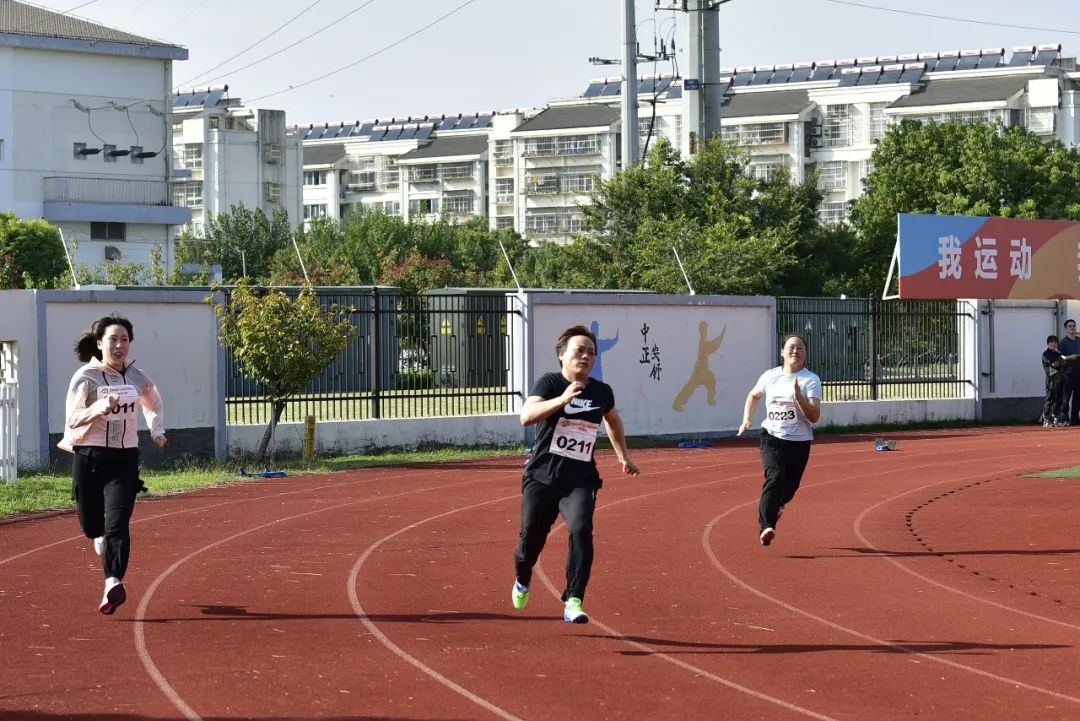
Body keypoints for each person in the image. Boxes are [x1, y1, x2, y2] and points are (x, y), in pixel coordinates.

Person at [511, 325, 639, 624]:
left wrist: (623, 455)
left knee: (581, 528)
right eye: (579, 351)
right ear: (562, 355)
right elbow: (526, 417)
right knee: (530, 541)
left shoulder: (601, 391)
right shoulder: (550, 383)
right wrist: (563, 400)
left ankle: (573, 599)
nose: (586, 356)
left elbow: (613, 419)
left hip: (580, 478)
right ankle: (522, 577)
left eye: (591, 352)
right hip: (542, 476)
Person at [58, 316, 166, 614]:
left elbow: (153, 401)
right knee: (93, 526)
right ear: (99, 344)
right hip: (90, 458)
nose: (119, 346)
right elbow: (72, 419)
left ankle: (113, 581)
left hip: (124, 460)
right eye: (113, 340)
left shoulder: (136, 376)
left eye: (124, 340)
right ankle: (100, 539)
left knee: (118, 523)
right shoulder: (86, 377)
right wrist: (98, 408)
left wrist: (157, 430)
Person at [737, 334, 822, 546]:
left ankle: (778, 505)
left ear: (806, 353)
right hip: (771, 436)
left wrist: (799, 398)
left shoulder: (811, 380)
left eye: (800, 348)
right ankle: (766, 526)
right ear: (782, 352)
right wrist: (747, 419)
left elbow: (814, 416)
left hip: (799, 441)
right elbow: (754, 395)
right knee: (775, 477)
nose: (796, 351)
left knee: (790, 488)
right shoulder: (769, 376)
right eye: (791, 347)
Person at [1042, 334, 1077, 428]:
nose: (1053, 344)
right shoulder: (1046, 354)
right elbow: (1053, 366)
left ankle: (1056, 418)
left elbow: (1064, 364)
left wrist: (1062, 363)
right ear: (1048, 344)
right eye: (1051, 342)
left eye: (1055, 342)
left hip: (1061, 381)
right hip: (1051, 382)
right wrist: (1060, 363)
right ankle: (1046, 420)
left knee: (1059, 400)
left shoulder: (1058, 354)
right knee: (1049, 400)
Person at [1057, 320, 1080, 425]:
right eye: (1070, 326)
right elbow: (1060, 357)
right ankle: (1063, 418)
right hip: (1068, 374)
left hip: (1078, 373)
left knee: (1078, 398)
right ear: (1066, 328)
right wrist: (1070, 357)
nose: (1072, 328)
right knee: (1066, 398)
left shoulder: (1079, 340)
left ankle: (1075, 419)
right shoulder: (1063, 342)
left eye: (1074, 326)